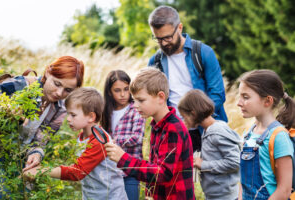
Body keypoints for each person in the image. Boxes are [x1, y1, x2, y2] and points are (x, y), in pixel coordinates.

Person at [0, 56, 84, 198]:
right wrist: (4, 108)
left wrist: (36, 154)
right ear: (48, 72)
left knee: (21, 194)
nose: (59, 93)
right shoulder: (23, 86)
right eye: (57, 84)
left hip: (19, 159)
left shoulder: (60, 109)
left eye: (68, 90)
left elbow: (40, 141)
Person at [105, 68, 195, 200]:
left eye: (141, 100)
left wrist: (123, 159)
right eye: (134, 100)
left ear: (160, 97)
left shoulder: (173, 128)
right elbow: (155, 166)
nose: (135, 105)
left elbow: (163, 173)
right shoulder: (156, 126)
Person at [24, 87, 128, 200]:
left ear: (91, 117)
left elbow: (77, 172)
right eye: (68, 114)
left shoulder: (99, 140)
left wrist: (41, 171)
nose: (68, 119)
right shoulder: (82, 137)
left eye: (73, 115)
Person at [147, 5, 227, 152]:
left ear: (180, 28)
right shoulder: (154, 62)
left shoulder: (204, 53)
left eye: (167, 37)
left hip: (207, 130)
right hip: (173, 132)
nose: (163, 43)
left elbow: (217, 95)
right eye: (158, 39)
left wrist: (193, 120)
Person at [237, 69, 295, 199]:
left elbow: (284, 190)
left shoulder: (279, 137)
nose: (239, 103)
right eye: (239, 96)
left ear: (267, 101)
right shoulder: (249, 134)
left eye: (245, 97)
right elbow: (243, 182)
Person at [178, 89, 241, 200]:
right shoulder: (207, 131)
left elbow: (235, 161)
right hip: (213, 195)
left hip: (226, 197)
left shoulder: (217, 132)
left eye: (184, 117)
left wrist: (203, 164)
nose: (183, 121)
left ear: (193, 113)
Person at [101, 70, 145, 200]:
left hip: (129, 170)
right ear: (109, 92)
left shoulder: (136, 109)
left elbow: (137, 137)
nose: (123, 94)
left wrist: (113, 141)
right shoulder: (106, 111)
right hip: (110, 171)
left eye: (126, 89)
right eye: (117, 90)